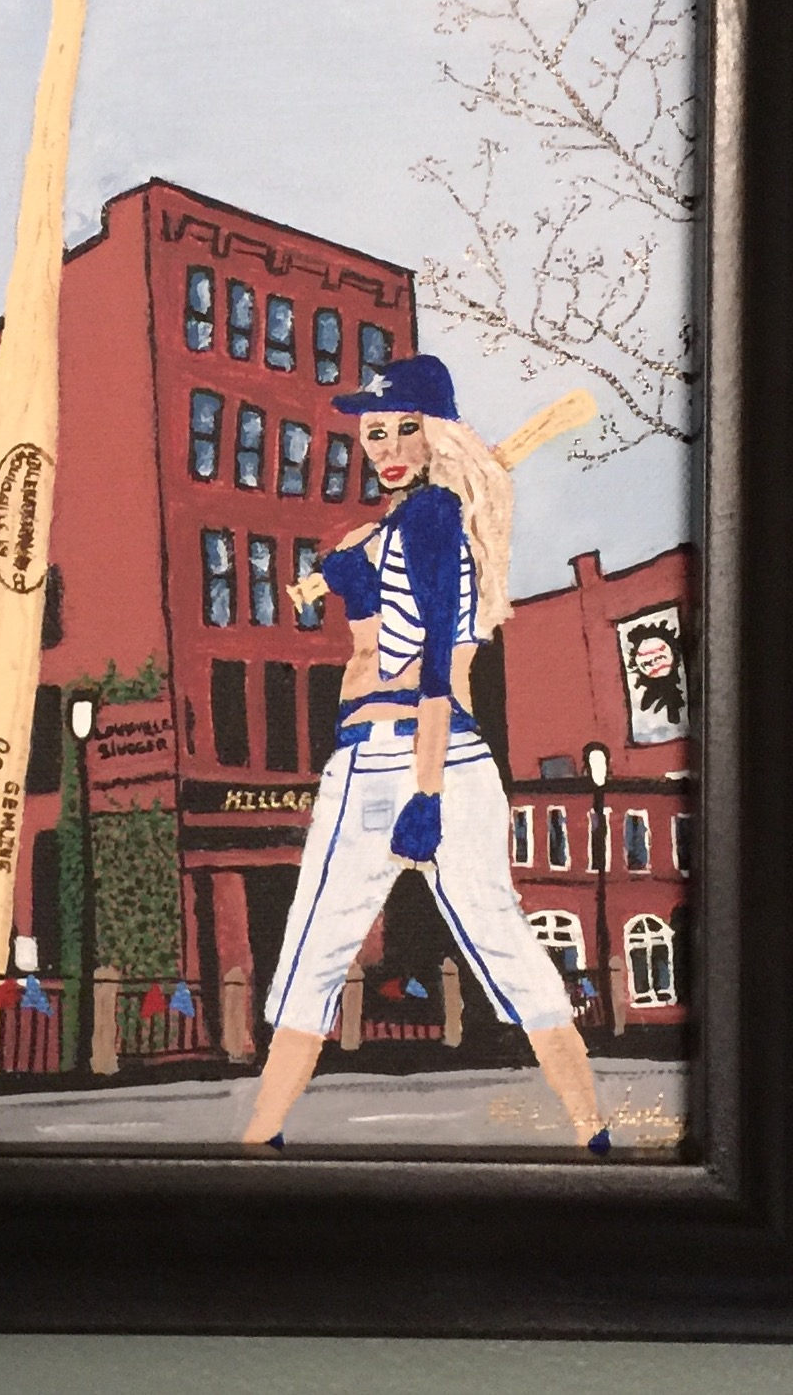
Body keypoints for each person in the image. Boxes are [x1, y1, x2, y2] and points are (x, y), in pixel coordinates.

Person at [240, 355, 609, 1154]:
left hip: (406, 757)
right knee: (500, 941)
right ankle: (593, 1132)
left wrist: (426, 793)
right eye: (375, 431)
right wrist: (359, 595)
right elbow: (375, 656)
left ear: (437, 431)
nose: (388, 444)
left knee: (315, 950)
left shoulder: (436, 520)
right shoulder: (415, 524)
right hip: (421, 756)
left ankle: (259, 1136)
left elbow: (437, 666)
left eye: (407, 426)